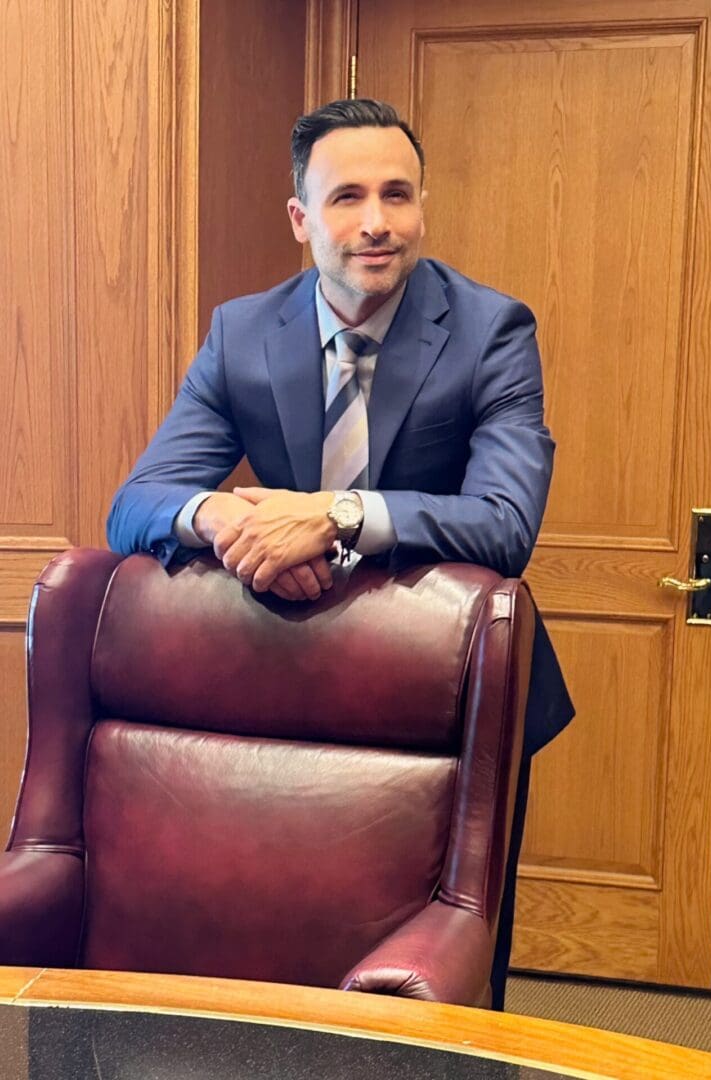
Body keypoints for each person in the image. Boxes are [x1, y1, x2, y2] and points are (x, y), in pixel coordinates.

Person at [107, 98, 574, 1009]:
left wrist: (336, 516)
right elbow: (138, 503)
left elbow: (505, 522)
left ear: (422, 208)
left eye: (396, 195)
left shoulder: (491, 332)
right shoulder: (242, 333)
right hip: (295, 675)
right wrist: (228, 523)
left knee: (451, 960)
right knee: (292, 941)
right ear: (300, 219)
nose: (374, 222)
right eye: (346, 196)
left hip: (454, 694)